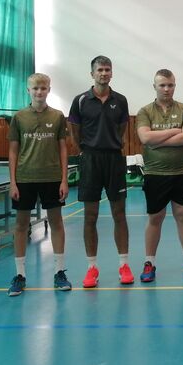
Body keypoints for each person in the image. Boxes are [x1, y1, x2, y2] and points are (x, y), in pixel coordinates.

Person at [69, 56, 133, 286]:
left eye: (107, 69)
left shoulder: (121, 100)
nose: (104, 73)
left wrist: (110, 144)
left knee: (119, 214)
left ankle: (124, 265)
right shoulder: (80, 100)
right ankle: (91, 268)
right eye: (100, 70)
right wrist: (85, 151)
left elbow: (122, 128)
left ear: (111, 73)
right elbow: (74, 131)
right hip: (90, 160)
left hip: (114, 159)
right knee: (90, 215)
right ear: (92, 73)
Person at [136, 69, 183, 282]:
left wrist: (157, 140)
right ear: (154, 87)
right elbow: (145, 138)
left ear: (174, 86)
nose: (166, 89)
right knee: (155, 218)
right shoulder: (145, 111)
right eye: (162, 85)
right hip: (155, 174)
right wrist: (174, 131)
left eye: (170, 85)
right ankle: (149, 263)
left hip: (182, 173)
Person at [7, 73, 72, 296]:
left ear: (49, 90)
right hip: (24, 178)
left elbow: (63, 148)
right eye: (35, 88)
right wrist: (13, 181)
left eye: (43, 88)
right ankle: (20, 274)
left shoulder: (58, 116)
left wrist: (64, 179)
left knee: (57, 223)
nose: (39, 92)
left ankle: (59, 271)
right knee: (21, 225)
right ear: (28, 90)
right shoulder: (19, 117)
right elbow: (13, 151)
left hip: (52, 178)